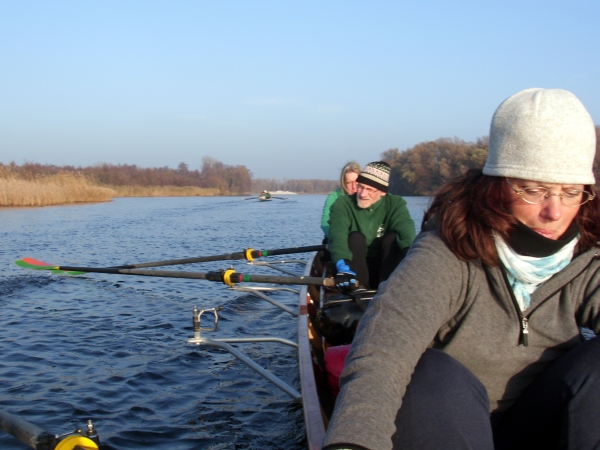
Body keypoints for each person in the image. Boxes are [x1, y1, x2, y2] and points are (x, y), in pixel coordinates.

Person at [322, 88, 600, 450]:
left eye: (571, 191)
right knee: (429, 372)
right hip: (447, 419)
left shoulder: (587, 256)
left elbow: (402, 230)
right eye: (534, 190)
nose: (556, 212)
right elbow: (383, 352)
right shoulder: (446, 251)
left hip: (541, 422)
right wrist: (354, 441)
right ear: (497, 185)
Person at [328, 161, 416, 290]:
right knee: (355, 237)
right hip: (351, 267)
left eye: (369, 190)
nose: (363, 194)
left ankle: (388, 289)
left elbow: (405, 229)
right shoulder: (342, 204)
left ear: (382, 192)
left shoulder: (396, 204)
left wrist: (412, 256)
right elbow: (338, 235)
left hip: (383, 265)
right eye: (360, 187)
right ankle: (359, 290)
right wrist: (342, 263)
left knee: (392, 238)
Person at [321, 161, 362, 240]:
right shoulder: (334, 198)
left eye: (357, 183)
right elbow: (325, 223)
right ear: (343, 183)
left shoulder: (366, 197)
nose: (354, 187)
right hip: (337, 239)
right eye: (349, 183)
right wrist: (339, 238)